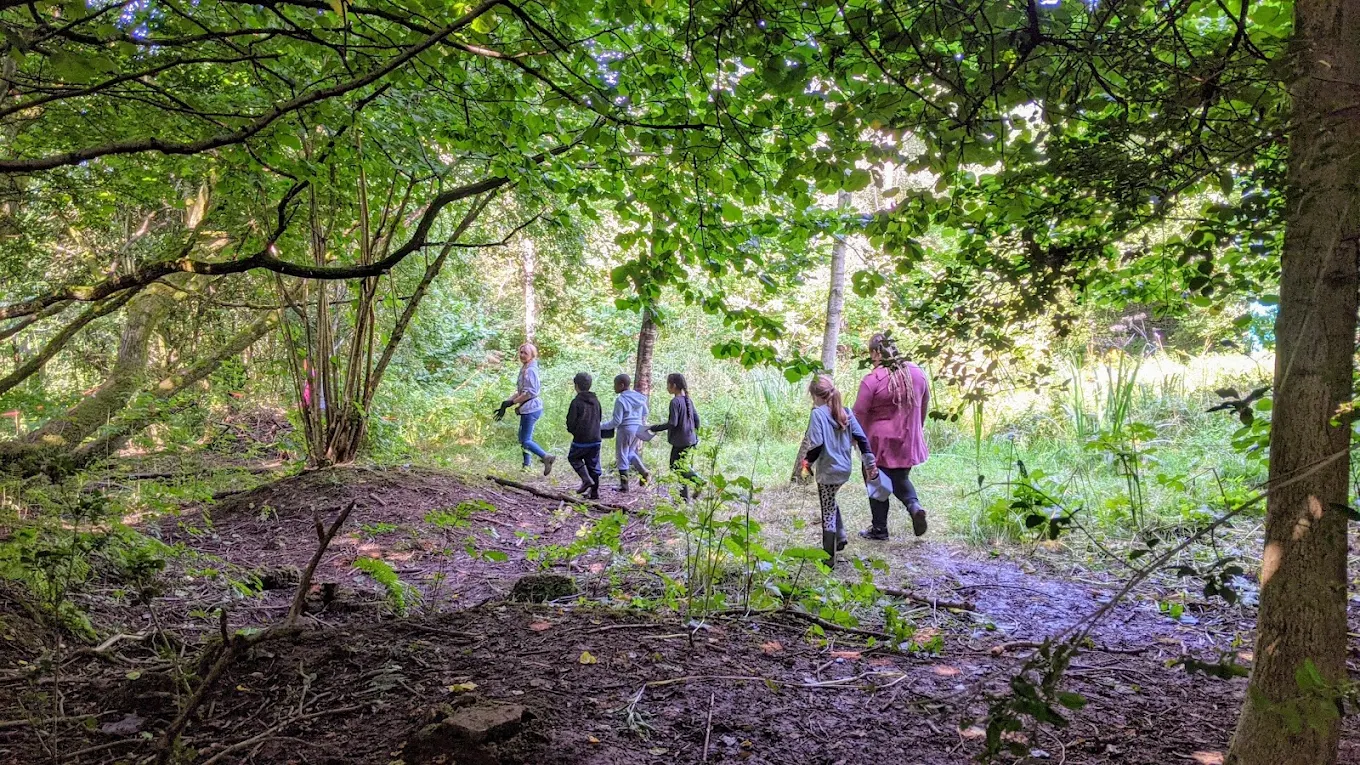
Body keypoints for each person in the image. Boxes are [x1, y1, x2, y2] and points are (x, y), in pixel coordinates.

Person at [852, 332, 930, 539]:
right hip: (907, 438)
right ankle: (914, 506)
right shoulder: (916, 373)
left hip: (878, 442)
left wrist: (854, 439)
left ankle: (879, 529)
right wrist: (917, 429)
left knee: (876, 481)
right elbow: (924, 403)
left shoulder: (873, 379)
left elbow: (858, 413)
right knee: (899, 478)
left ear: (875, 352)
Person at [803, 375, 876, 567]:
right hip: (844, 469)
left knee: (827, 510)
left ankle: (829, 558)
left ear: (815, 396)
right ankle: (841, 535)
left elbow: (817, 444)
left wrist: (807, 462)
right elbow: (862, 439)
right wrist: (870, 464)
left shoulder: (817, 414)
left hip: (828, 470)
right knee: (830, 499)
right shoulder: (845, 412)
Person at [494, 343, 555, 475]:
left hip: (531, 408)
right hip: (527, 408)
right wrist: (506, 403)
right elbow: (521, 391)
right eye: (521, 352)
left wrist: (512, 402)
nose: (522, 355)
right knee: (524, 438)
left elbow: (530, 393)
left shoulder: (531, 370)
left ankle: (546, 457)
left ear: (532, 355)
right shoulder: (525, 368)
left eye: (525, 353)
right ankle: (526, 465)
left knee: (525, 440)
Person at [648, 373, 701, 501]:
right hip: (690, 439)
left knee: (676, 467)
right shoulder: (688, 400)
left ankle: (698, 481)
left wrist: (655, 427)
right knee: (681, 467)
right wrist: (694, 435)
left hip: (680, 441)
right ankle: (684, 498)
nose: (667, 387)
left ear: (674, 385)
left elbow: (673, 423)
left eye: (668, 384)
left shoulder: (675, 402)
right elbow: (697, 420)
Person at [600, 373, 650, 492]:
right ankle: (643, 471)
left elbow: (617, 421)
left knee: (621, 455)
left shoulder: (621, 400)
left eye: (615, 385)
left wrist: (601, 426)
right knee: (630, 452)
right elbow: (645, 412)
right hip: (638, 428)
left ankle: (624, 485)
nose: (614, 387)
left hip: (626, 429)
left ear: (621, 385)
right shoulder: (639, 397)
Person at [565, 372, 603, 499]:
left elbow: (570, 421)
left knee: (573, 458)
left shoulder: (576, 402)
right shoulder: (596, 401)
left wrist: (574, 431)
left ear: (576, 385)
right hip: (596, 438)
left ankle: (586, 479)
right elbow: (599, 417)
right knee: (593, 464)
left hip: (581, 439)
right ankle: (594, 492)